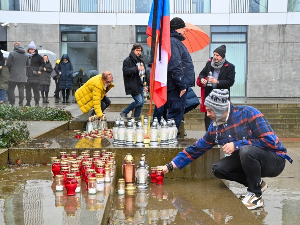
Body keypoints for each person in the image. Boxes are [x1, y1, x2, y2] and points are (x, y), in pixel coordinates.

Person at [158, 89, 293, 210]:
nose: (208, 114)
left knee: (246, 150)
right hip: (248, 158)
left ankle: (255, 196)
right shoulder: (215, 127)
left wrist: (237, 145)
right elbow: (196, 148)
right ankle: (257, 184)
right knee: (218, 168)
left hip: (275, 160)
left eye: (210, 110)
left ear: (220, 109)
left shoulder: (249, 113)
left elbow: (271, 142)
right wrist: (169, 166)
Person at [166, 17, 195, 133]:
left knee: (177, 111)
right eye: (183, 27)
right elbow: (175, 65)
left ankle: (172, 136)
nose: (184, 30)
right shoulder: (173, 42)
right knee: (175, 112)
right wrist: (181, 85)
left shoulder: (175, 41)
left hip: (177, 84)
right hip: (177, 85)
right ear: (177, 28)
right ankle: (170, 138)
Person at [198, 45, 235, 131]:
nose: (215, 57)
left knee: (221, 118)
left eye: (217, 55)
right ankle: (208, 135)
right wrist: (202, 79)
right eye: (214, 54)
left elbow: (230, 82)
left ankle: (221, 135)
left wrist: (217, 82)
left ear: (222, 56)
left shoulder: (230, 67)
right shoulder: (209, 63)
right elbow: (201, 73)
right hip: (209, 96)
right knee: (208, 117)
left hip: (222, 97)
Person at [120, 43, 148, 118]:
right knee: (139, 101)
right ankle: (124, 111)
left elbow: (145, 74)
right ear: (133, 51)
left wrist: (146, 85)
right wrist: (137, 68)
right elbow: (126, 71)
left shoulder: (141, 60)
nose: (138, 52)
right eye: (137, 50)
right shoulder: (127, 60)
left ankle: (136, 119)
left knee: (141, 104)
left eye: (140, 50)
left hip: (141, 84)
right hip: (133, 84)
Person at [7, 42, 29, 106]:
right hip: (22, 75)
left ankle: (12, 103)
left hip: (13, 74)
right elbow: (28, 64)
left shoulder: (12, 53)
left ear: (14, 46)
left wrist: (11, 69)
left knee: (11, 89)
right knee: (21, 90)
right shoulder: (25, 54)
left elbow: (8, 64)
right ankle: (21, 102)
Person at [25, 41, 44, 107]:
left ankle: (37, 103)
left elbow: (43, 64)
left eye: (32, 49)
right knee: (27, 91)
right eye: (30, 49)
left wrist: (40, 70)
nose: (31, 50)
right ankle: (28, 103)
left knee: (36, 90)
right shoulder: (26, 56)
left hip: (35, 76)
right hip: (27, 76)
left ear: (34, 49)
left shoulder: (38, 57)